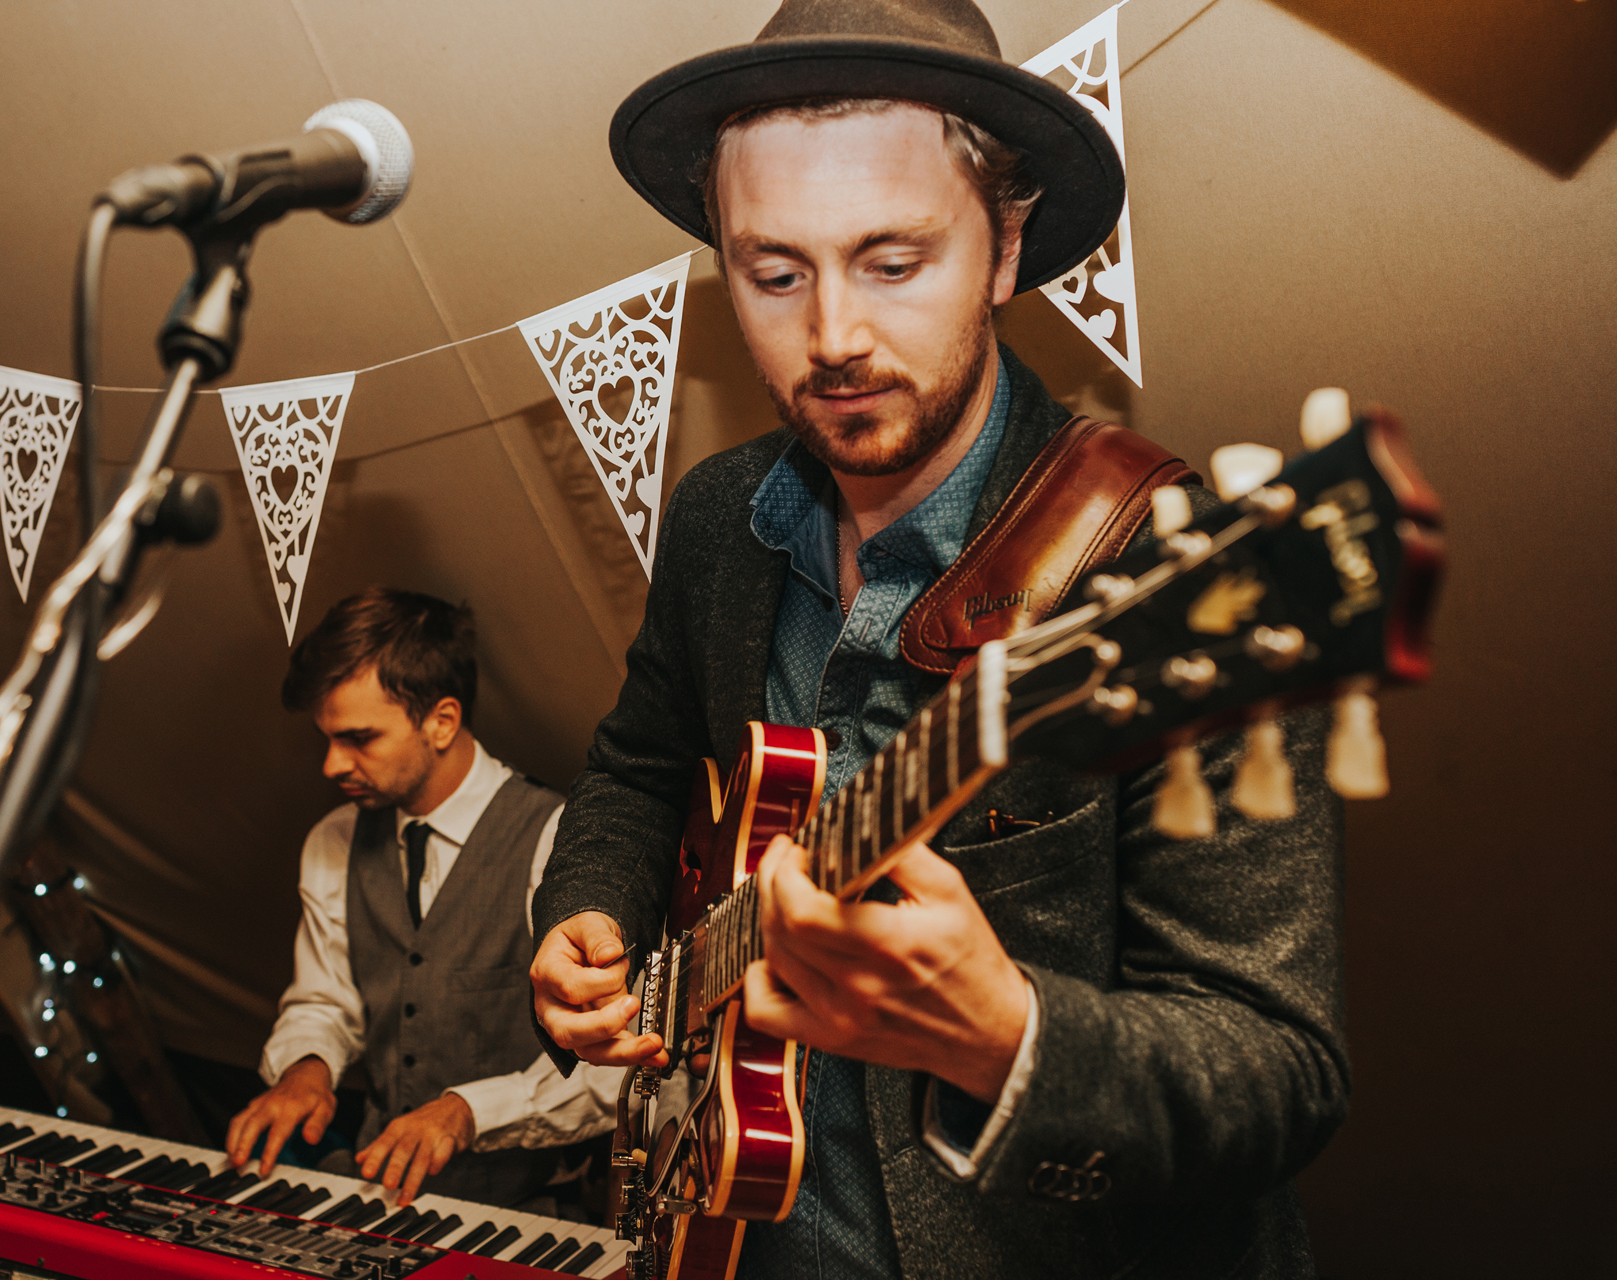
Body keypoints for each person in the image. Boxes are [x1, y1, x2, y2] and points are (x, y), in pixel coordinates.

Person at [528, 2, 1349, 1277]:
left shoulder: (1178, 573)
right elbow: (639, 764)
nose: (834, 336)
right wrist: (588, 908)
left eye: (893, 261)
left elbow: (1278, 1071)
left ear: (1006, 246)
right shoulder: (712, 524)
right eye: (775, 272)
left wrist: (1006, 1036)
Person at [228, 587, 620, 1209]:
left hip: (529, 1213)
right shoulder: (333, 842)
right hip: (375, 1194)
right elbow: (325, 1000)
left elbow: (616, 1063)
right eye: (327, 739)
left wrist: (469, 1111)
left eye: (359, 738)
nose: (331, 765)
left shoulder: (557, 840)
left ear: (441, 721)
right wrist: (307, 1067)